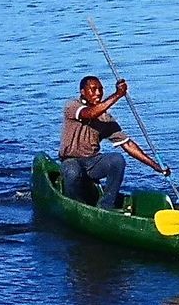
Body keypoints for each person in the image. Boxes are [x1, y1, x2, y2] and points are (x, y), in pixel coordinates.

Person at [60, 75, 168, 209]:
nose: (98, 93)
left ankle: (105, 205)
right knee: (72, 171)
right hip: (71, 160)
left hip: (93, 162)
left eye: (100, 89)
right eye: (93, 90)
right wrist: (118, 94)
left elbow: (127, 144)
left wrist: (155, 166)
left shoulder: (105, 118)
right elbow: (90, 113)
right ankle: (76, 205)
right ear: (83, 92)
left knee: (117, 160)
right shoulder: (72, 106)